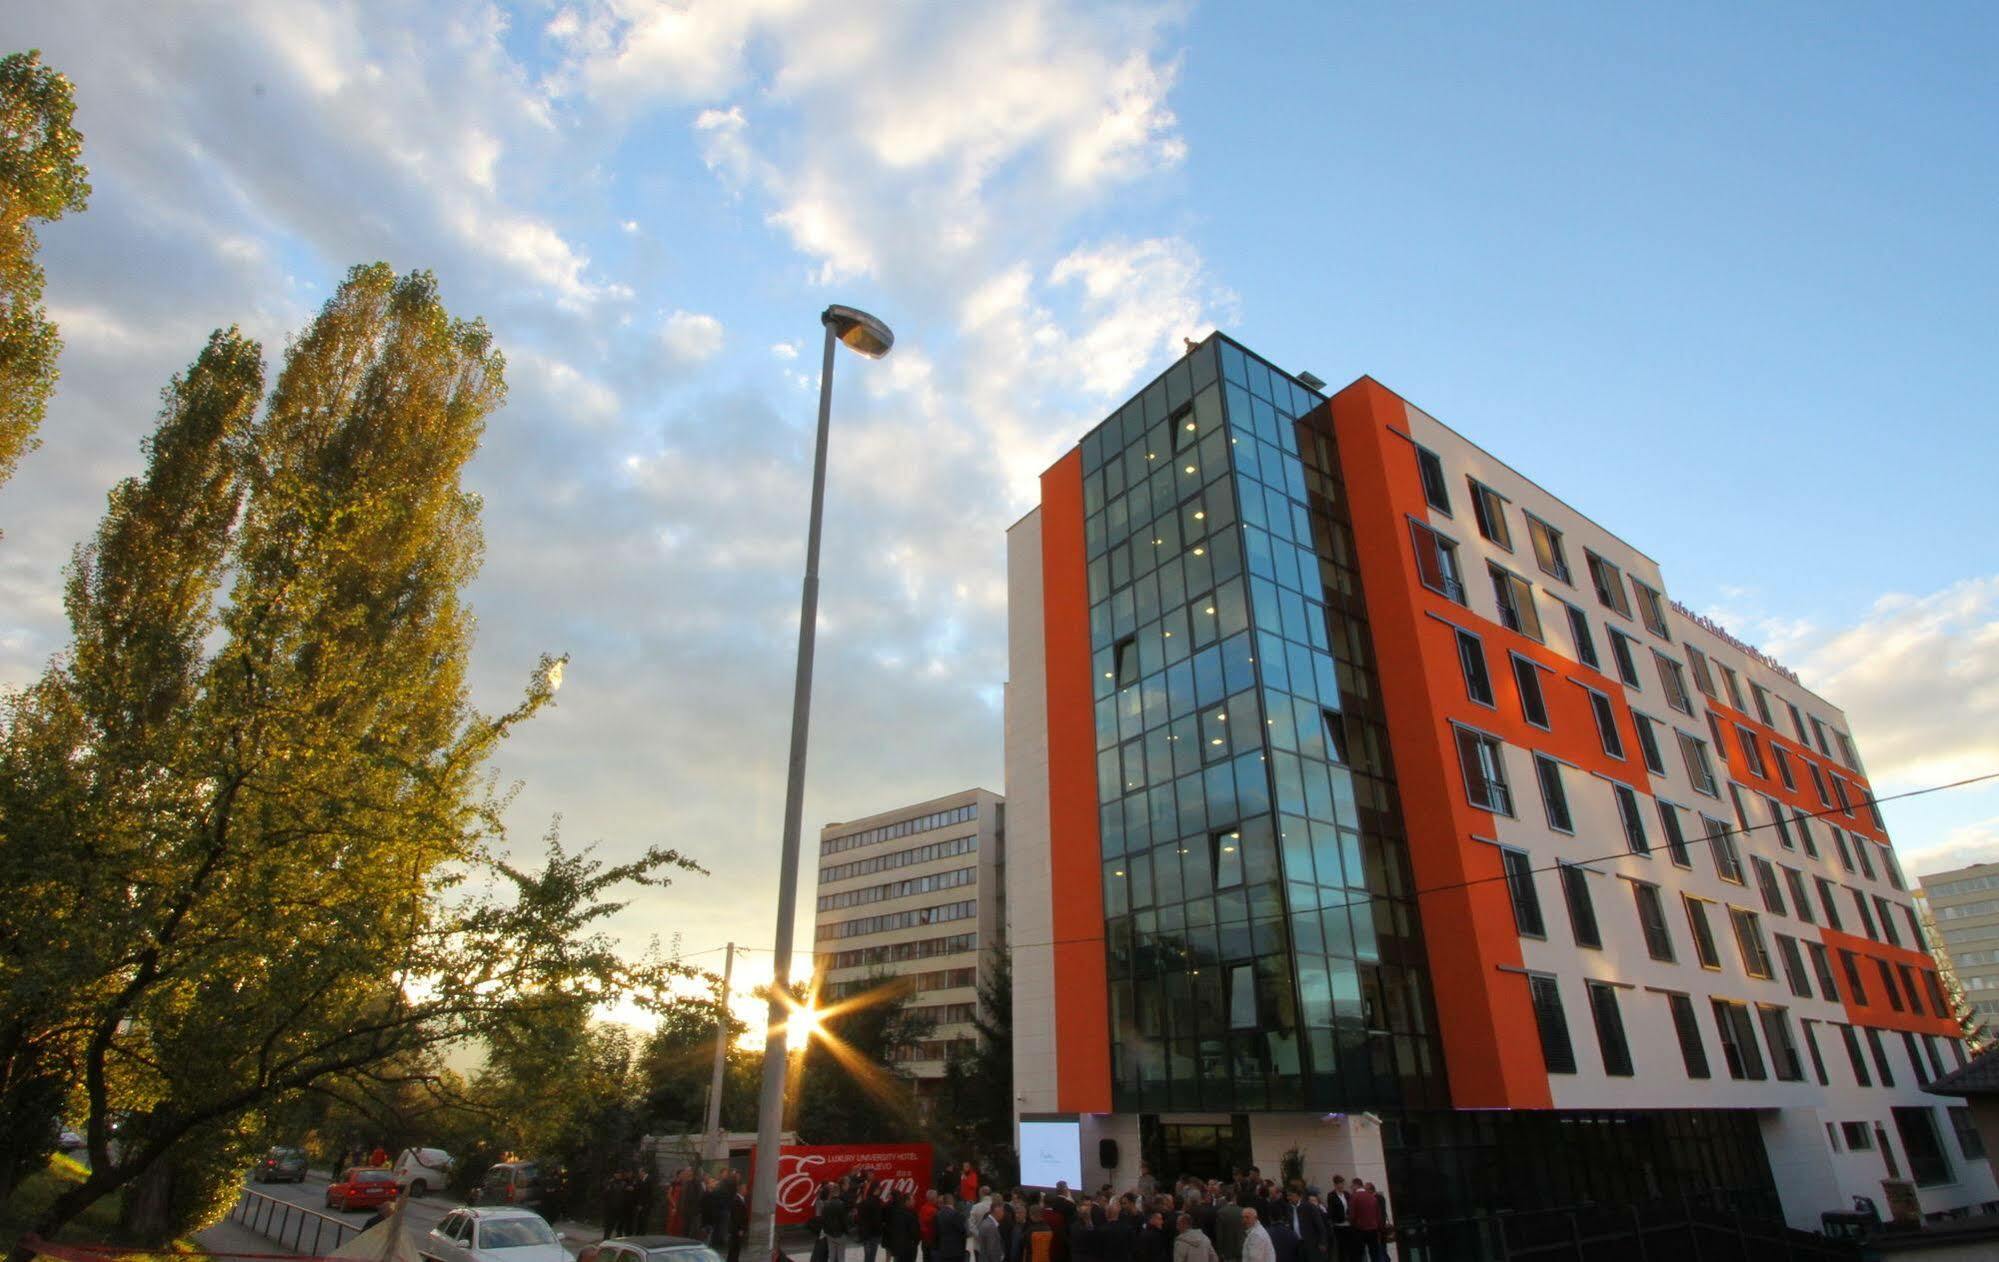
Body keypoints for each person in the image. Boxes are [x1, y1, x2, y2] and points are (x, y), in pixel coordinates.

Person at [1342, 1184, 1380, 1262]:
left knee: (1358, 1254)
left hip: (1360, 1230)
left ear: (1356, 1187)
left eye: (1352, 1187)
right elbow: (1378, 1214)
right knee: (1374, 1253)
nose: (1351, 1189)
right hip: (1373, 1229)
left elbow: (1352, 1215)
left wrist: (1350, 1221)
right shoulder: (1373, 1198)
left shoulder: (1354, 1197)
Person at [887, 1191, 923, 1262]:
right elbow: (914, 1233)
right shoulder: (911, 1215)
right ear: (907, 1201)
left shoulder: (896, 1213)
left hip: (898, 1248)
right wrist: (916, 1241)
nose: (914, 1201)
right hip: (908, 1249)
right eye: (913, 1200)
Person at [858, 1179, 887, 1262]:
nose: (880, 1190)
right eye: (879, 1188)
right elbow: (877, 1219)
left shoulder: (865, 1201)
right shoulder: (877, 1202)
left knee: (868, 1256)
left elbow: (860, 1218)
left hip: (866, 1233)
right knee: (871, 1256)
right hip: (873, 1234)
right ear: (875, 1189)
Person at [938, 1193, 968, 1262]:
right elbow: (963, 1232)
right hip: (956, 1251)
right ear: (952, 1201)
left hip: (943, 1250)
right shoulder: (956, 1214)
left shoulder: (938, 1215)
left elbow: (937, 1233)